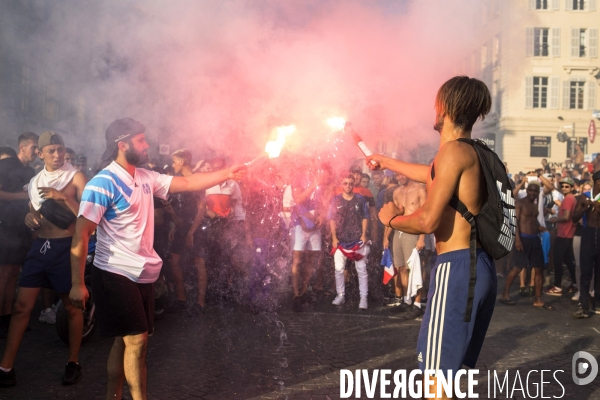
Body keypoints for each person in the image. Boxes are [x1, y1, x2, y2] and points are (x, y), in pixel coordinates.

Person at [69, 118, 245, 400]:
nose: (147, 144)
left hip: (142, 273)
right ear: (122, 145)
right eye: (141, 140)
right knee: (136, 341)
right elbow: (81, 235)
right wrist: (78, 283)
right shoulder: (102, 183)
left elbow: (188, 182)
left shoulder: (146, 177)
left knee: (123, 341)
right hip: (114, 272)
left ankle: (111, 396)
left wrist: (228, 172)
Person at [367, 76, 494, 398]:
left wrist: (391, 219)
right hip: (477, 265)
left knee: (435, 383)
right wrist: (386, 160)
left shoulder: (451, 153)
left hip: (458, 268)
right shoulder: (473, 152)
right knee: (445, 380)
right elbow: (430, 174)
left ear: (446, 108)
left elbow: (427, 220)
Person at [0, 131, 87, 387]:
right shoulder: (35, 179)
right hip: (40, 247)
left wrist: (66, 197)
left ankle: (73, 362)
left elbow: (91, 214)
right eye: (51, 151)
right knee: (21, 307)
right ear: (40, 154)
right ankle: (6, 368)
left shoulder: (76, 176)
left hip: (66, 247)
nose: (58, 155)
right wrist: (29, 219)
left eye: (60, 149)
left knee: (71, 307)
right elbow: (32, 214)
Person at [0, 132, 38, 340]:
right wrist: (21, 196)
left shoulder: (31, 171)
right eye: (34, 148)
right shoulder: (6, 166)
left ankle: (8, 317)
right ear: (22, 147)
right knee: (4, 274)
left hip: (22, 227)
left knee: (14, 273)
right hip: (5, 226)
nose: (37, 152)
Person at [499, 181, 553, 309]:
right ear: (527, 190)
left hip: (534, 239)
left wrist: (540, 227)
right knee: (517, 267)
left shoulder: (535, 206)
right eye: (531, 190)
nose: (533, 193)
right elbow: (515, 222)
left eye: (536, 191)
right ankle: (505, 294)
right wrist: (517, 240)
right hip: (523, 239)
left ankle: (538, 299)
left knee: (539, 269)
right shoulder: (520, 203)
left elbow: (532, 221)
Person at [169, 149, 208, 316]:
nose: (172, 165)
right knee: (174, 260)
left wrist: (191, 232)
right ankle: (181, 299)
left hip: (197, 227)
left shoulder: (197, 180)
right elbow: (178, 206)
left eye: (174, 162)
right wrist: (173, 227)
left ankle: (200, 303)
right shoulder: (179, 180)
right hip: (181, 226)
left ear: (182, 162)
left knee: (199, 262)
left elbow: (201, 210)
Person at [329, 175, 370, 309]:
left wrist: (364, 234)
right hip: (341, 241)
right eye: (345, 183)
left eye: (350, 184)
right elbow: (332, 219)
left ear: (353, 184)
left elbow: (365, 217)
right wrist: (334, 238)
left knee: (361, 270)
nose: (348, 186)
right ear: (342, 184)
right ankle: (340, 295)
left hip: (357, 240)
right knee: (339, 270)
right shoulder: (336, 200)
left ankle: (363, 297)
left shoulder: (360, 199)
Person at [389, 174, 427, 317]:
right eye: (397, 175)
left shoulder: (419, 190)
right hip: (399, 232)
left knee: (415, 268)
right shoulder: (396, 192)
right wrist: (386, 237)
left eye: (401, 174)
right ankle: (407, 300)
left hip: (414, 231)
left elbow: (425, 214)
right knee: (402, 268)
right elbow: (394, 215)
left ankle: (417, 304)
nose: (400, 177)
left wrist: (422, 238)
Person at [571, 171, 600, 318]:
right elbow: (574, 218)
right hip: (588, 234)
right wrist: (585, 209)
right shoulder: (583, 198)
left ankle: (597, 305)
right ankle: (584, 306)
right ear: (596, 181)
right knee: (585, 272)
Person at [545, 177, 577, 296]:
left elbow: (566, 217)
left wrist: (555, 220)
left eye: (567, 186)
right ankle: (575, 283)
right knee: (568, 260)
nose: (564, 188)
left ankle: (557, 286)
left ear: (572, 188)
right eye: (562, 186)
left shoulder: (568, 199)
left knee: (558, 260)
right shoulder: (569, 198)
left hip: (565, 234)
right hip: (567, 234)